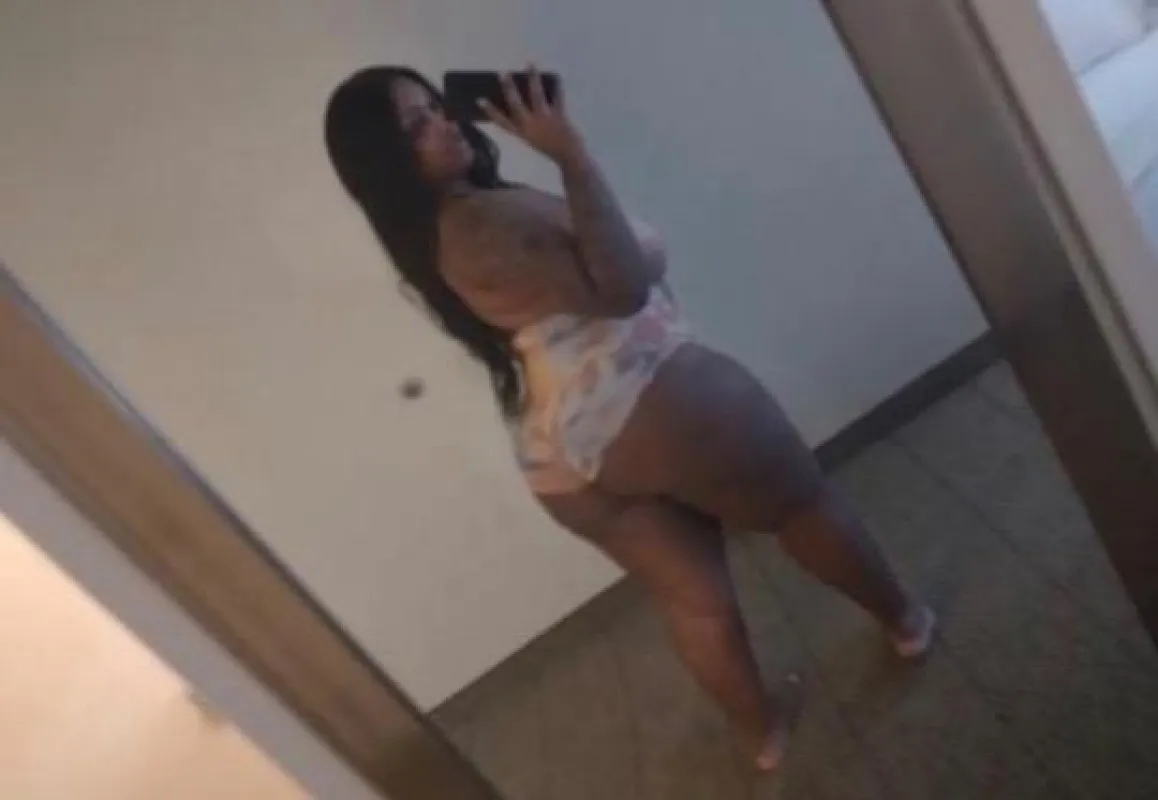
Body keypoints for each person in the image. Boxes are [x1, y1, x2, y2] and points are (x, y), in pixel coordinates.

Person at [324, 65, 936, 771]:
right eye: (415, 126)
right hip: (638, 390)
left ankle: (760, 737)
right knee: (804, 506)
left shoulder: (440, 237)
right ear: (386, 164)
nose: (443, 125)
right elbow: (621, 290)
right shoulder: (482, 224)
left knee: (696, 601)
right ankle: (907, 624)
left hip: (560, 449)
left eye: (435, 107)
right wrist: (570, 153)